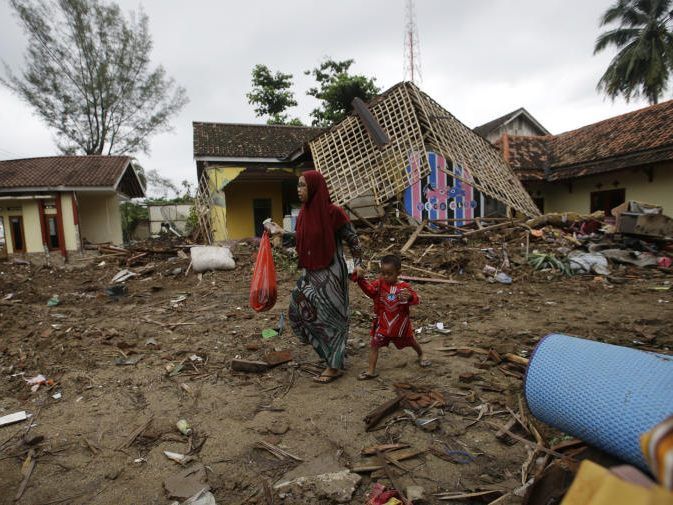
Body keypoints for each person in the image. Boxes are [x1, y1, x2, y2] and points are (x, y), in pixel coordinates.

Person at [265, 170, 364, 383]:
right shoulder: (304, 214)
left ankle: (334, 366)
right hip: (310, 274)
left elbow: (353, 239)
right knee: (297, 311)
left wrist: (359, 264)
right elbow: (302, 240)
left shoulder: (333, 212)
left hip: (332, 275)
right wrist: (282, 233)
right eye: (298, 185)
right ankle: (330, 355)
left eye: (302, 185)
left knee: (332, 320)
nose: (298, 190)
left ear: (314, 187)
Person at [352, 254, 430, 380]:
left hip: (400, 326)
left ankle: (421, 354)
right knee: (374, 344)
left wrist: (409, 297)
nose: (386, 276)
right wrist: (361, 279)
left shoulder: (404, 288)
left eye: (389, 273)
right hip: (383, 324)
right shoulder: (380, 284)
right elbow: (370, 291)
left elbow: (415, 299)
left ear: (398, 273)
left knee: (411, 341)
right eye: (383, 273)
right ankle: (371, 370)